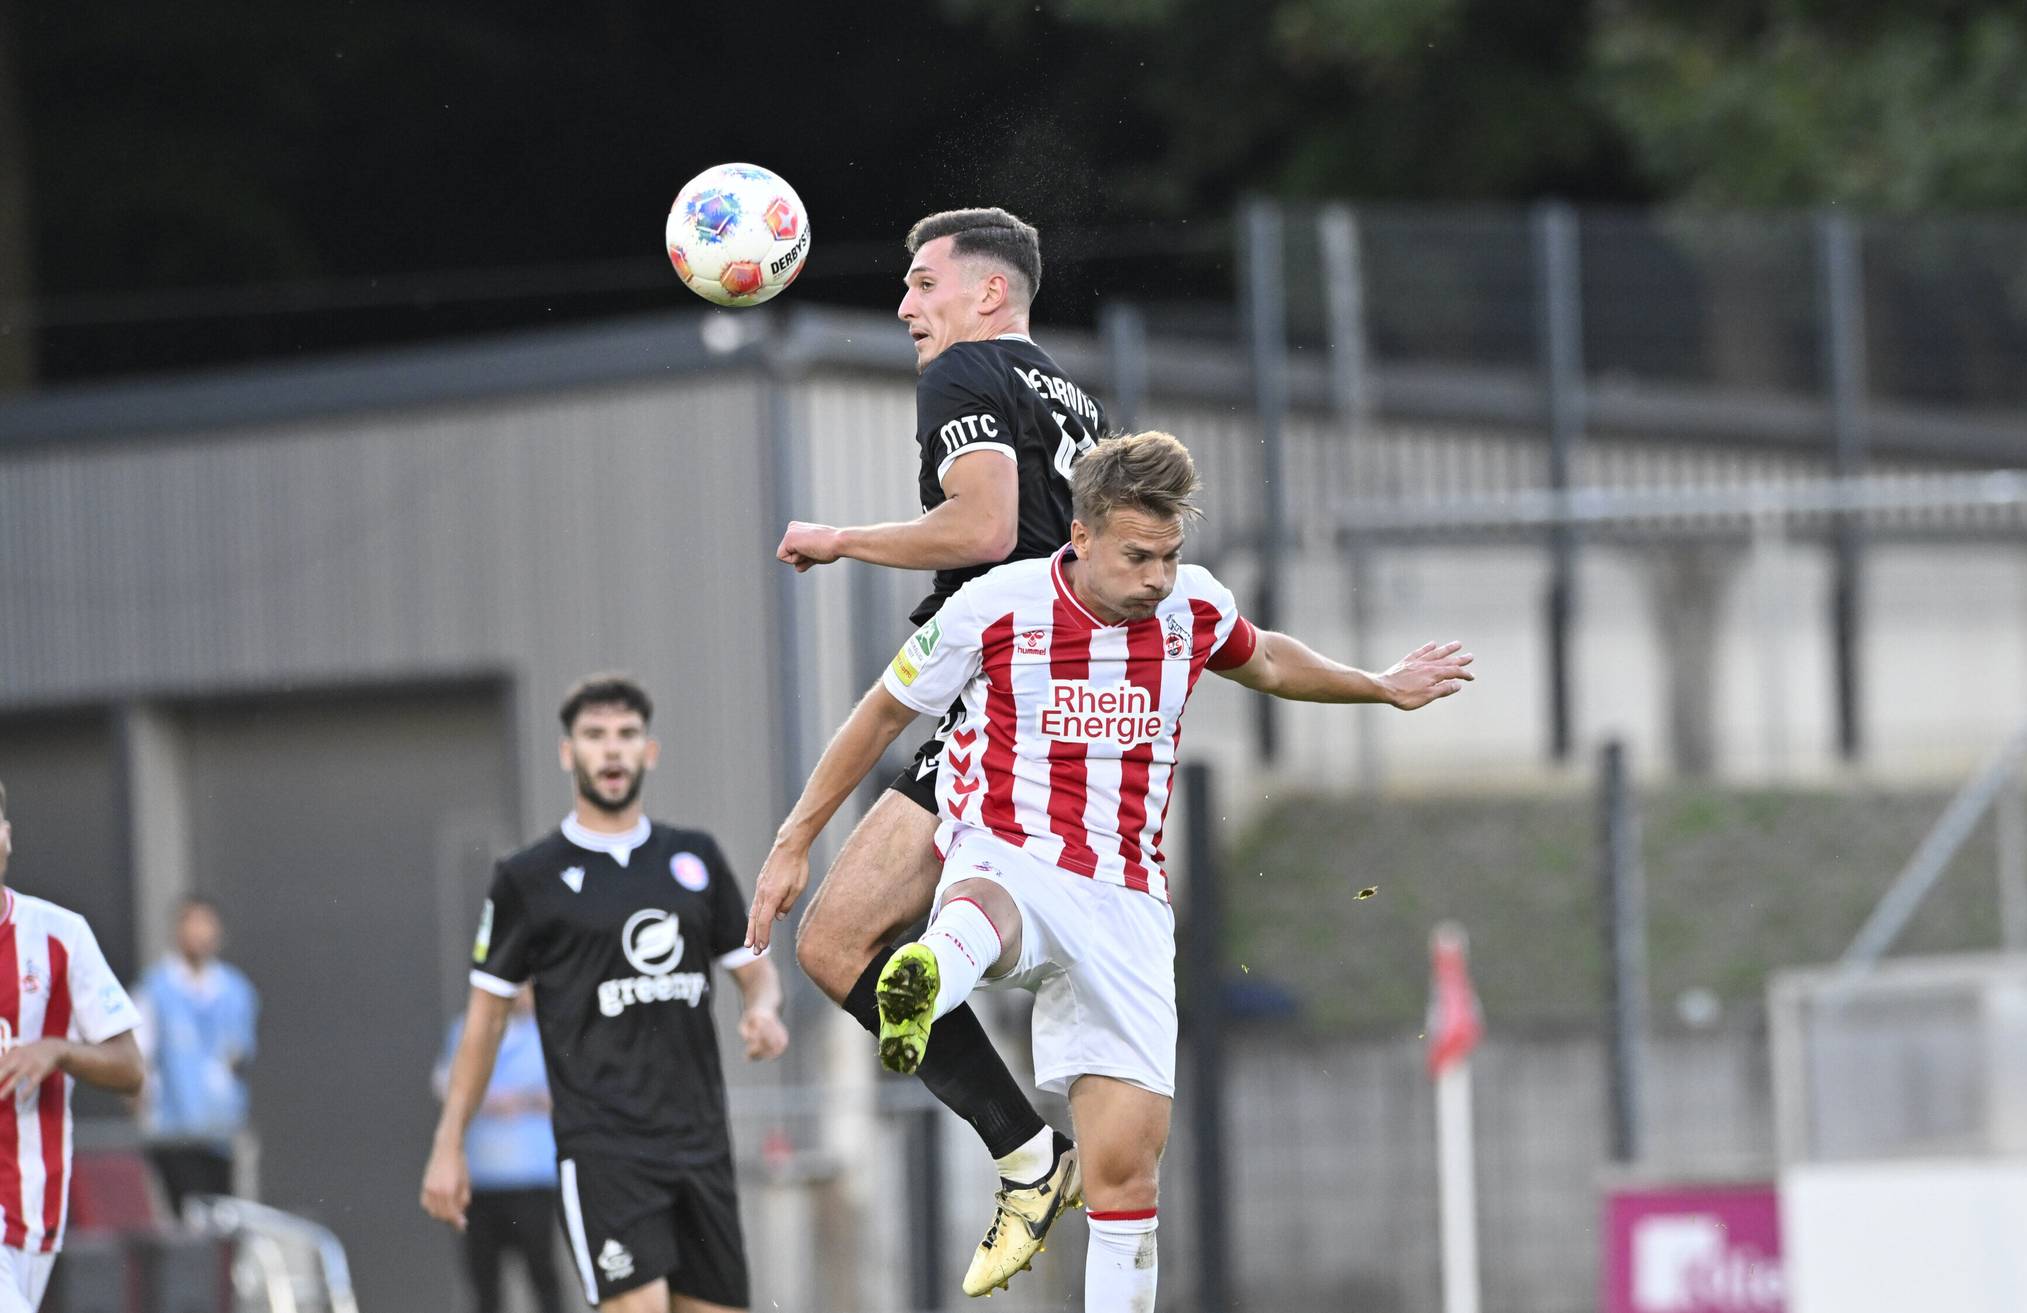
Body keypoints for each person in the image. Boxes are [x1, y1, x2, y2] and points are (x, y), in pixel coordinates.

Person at [752, 434, 1473, 1310]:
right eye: (1138, 556)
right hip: (1010, 851)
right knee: (986, 906)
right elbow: (879, 716)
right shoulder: (995, 606)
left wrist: (1379, 683)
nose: (1158, 578)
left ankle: (941, 984)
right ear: (1081, 535)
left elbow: (1271, 659)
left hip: (1128, 899)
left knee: (1126, 1175)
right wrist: (795, 839)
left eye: (1170, 556)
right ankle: (933, 973)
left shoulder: (1193, 609)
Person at [759, 206, 1107, 1296]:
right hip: (1079, 707)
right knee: (849, 937)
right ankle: (1039, 1144)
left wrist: (842, 537)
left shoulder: (963, 374)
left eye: (922, 284)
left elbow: (985, 529)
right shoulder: (1075, 396)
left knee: (837, 943)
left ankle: (1028, 1149)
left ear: (987, 294)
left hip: (1005, 703)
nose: (907, 306)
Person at [421, 676, 790, 1313]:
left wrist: (763, 1011)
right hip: (604, 1150)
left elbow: (752, 969)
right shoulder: (527, 879)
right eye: (595, 736)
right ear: (568, 753)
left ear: (650, 751)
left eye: (625, 735)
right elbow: (485, 1020)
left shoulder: (694, 860)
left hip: (701, 1143)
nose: (611, 751)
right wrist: (448, 1143)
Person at [0, 780, 147, 1313]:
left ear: (7, 836)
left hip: (32, 1205)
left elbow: (130, 1068)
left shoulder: (61, 935)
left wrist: (56, 1051)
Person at [433, 983, 562, 1313]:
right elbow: (446, 1084)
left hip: (534, 1179)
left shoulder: (551, 1032)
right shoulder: (468, 1029)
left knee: (543, 1275)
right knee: (484, 1281)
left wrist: (521, 1099)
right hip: (482, 1181)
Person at [135, 895, 259, 1213]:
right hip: (173, 1134)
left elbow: (237, 1056)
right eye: (191, 923)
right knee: (186, 1220)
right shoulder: (155, 989)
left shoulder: (236, 990)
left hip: (220, 1133)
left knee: (227, 1219)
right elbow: (138, 1060)